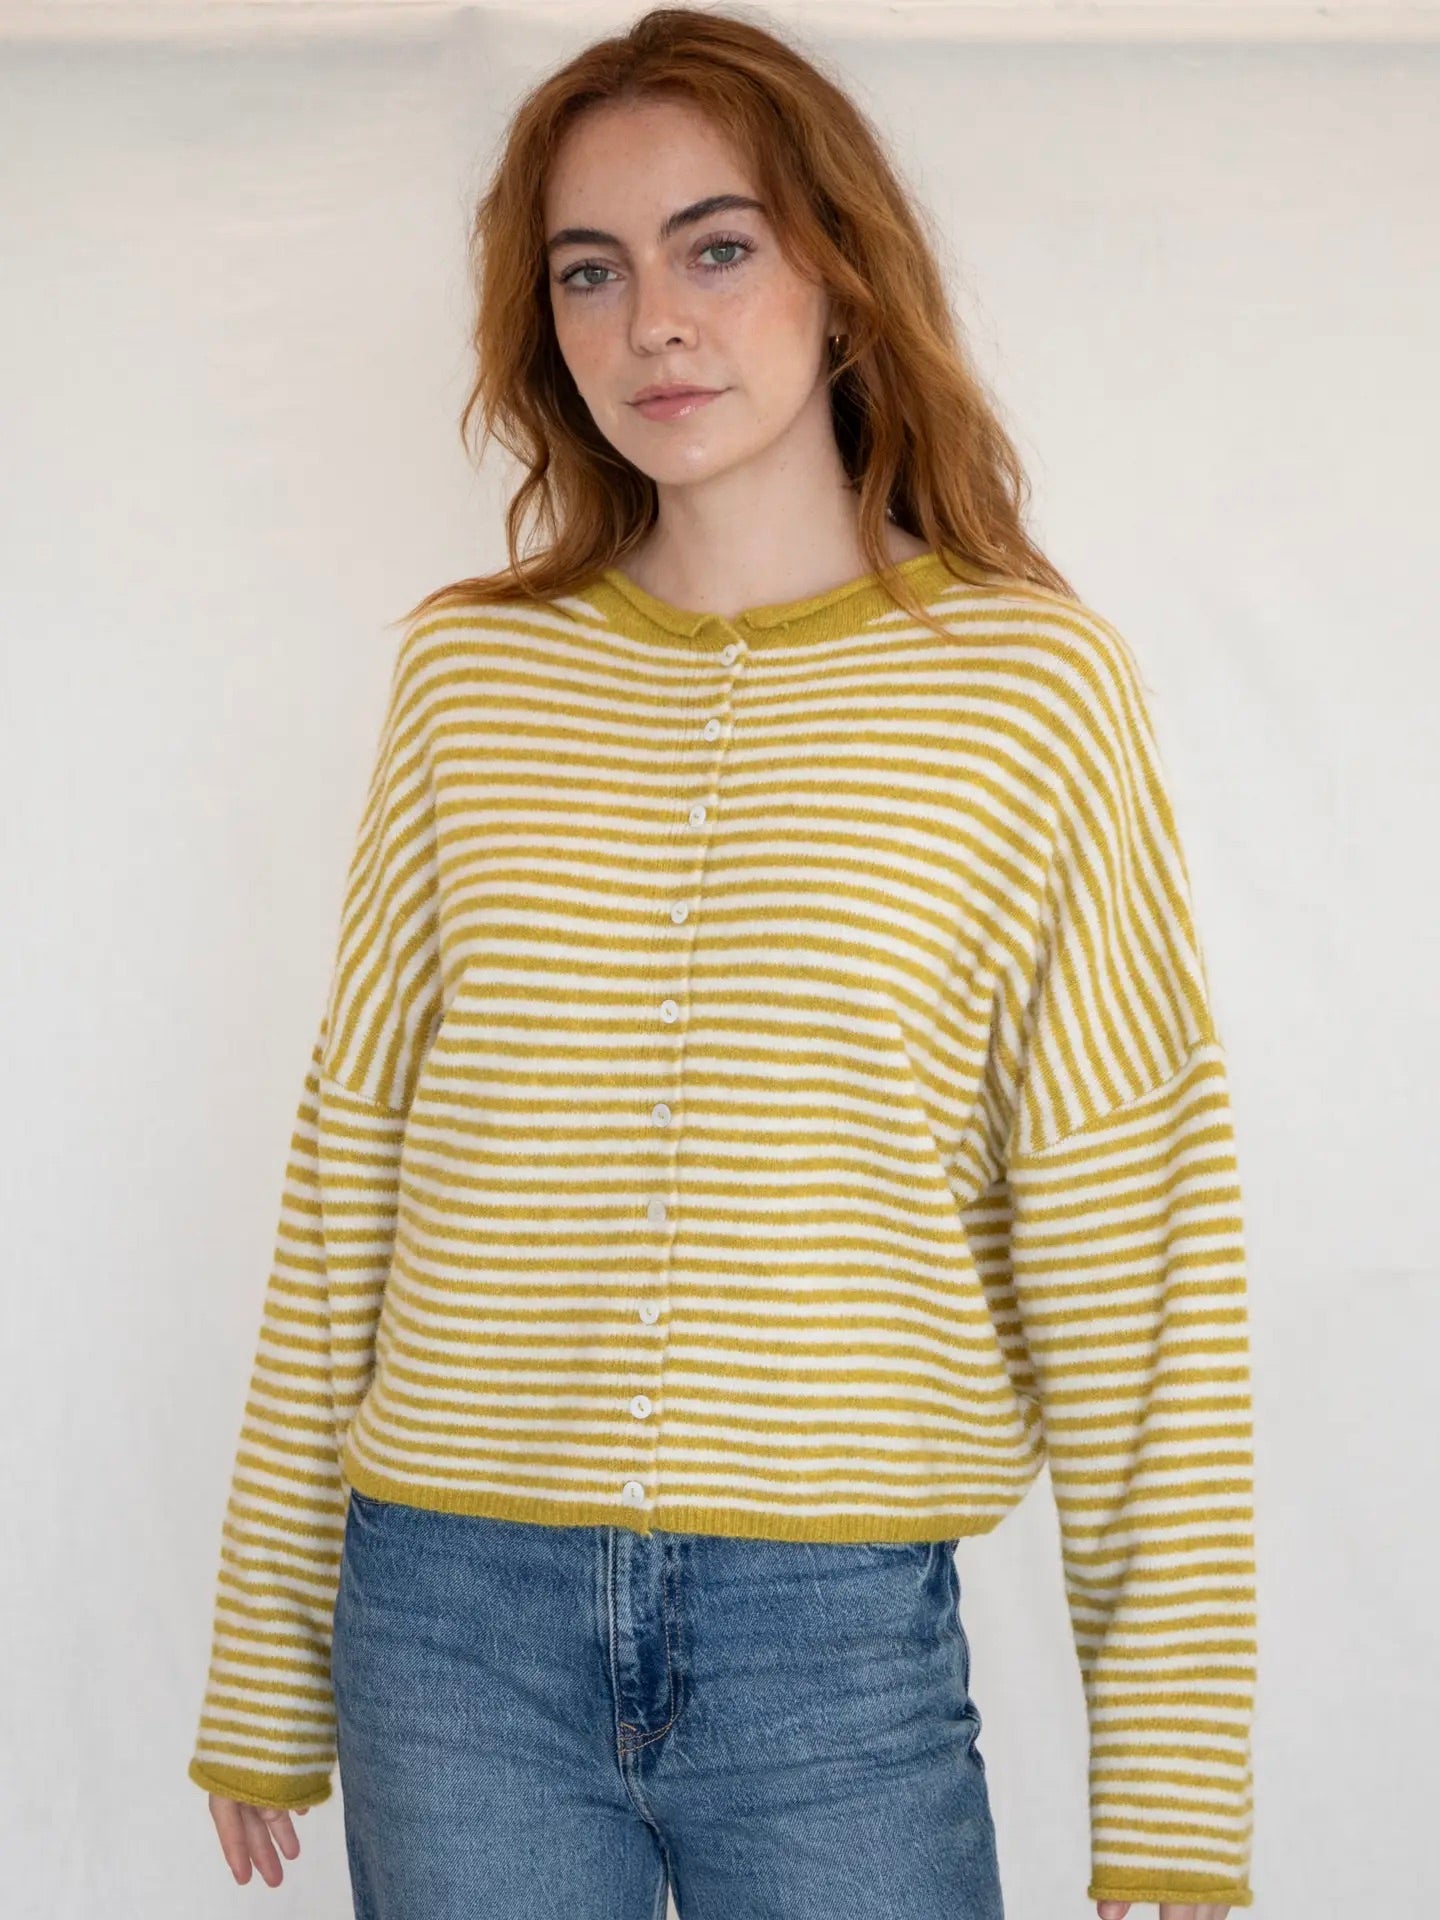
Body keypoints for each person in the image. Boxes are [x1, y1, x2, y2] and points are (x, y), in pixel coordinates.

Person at [190, 10, 1257, 1919]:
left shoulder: (1027, 690)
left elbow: (1133, 1210)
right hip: (447, 1627)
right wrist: (266, 1653)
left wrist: (1171, 1768)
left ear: (842, 273)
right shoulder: (469, 678)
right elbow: (352, 1159)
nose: (653, 323)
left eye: (719, 246)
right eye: (589, 272)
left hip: (832, 1650)